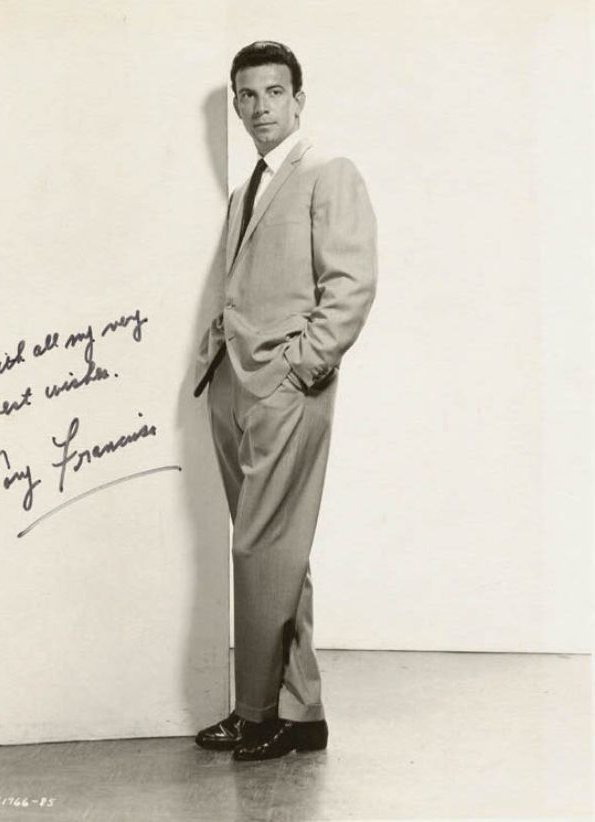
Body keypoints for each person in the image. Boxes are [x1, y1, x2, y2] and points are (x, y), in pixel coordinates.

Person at [193, 40, 377, 761]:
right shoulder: (247, 189)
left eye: (274, 92)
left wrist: (299, 370)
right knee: (278, 554)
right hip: (233, 387)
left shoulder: (329, 173)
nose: (260, 107)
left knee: (260, 548)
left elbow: (350, 287)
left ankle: (256, 713)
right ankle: (303, 713)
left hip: (286, 390)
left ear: (298, 99)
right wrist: (217, 364)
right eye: (247, 95)